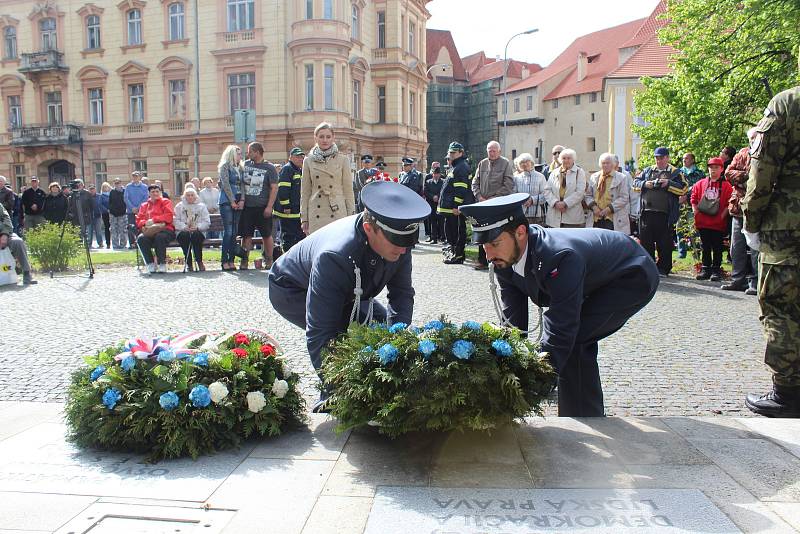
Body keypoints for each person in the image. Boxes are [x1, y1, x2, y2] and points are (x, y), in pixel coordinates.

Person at [459, 193, 659, 416]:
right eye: (484, 245)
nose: (489, 254)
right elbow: (514, 324)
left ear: (521, 232)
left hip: (631, 274)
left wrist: (536, 383)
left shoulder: (558, 257)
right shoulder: (505, 258)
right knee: (572, 337)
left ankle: (584, 417)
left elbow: (561, 325)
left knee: (577, 338)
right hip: (593, 277)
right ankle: (579, 413)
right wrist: (508, 374)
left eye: (494, 243)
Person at [268, 181, 431, 412]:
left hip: (350, 290)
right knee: (340, 335)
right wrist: (343, 389)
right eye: (398, 243)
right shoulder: (334, 256)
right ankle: (332, 396)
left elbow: (401, 294)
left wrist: (398, 342)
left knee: (380, 328)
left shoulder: (398, 240)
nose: (404, 250)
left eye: (408, 242)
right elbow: (320, 332)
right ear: (368, 228)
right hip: (291, 288)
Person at [741, 84, 800, 418]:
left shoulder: (789, 102)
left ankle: (788, 393)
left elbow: (762, 169)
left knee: (782, 305)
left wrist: (752, 220)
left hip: (789, 225)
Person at [634, 147, 688, 277]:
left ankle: (663, 268)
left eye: (661, 158)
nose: (659, 160)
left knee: (664, 243)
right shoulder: (648, 170)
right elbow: (635, 183)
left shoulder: (675, 172)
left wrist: (668, 184)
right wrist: (645, 184)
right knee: (646, 242)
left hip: (665, 214)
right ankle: (649, 267)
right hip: (646, 212)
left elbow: (684, 188)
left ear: (667, 158)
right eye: (657, 158)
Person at [301, 122, 355, 235]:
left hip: (337, 211)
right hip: (316, 212)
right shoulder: (308, 160)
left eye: (328, 137)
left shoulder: (343, 160)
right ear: (315, 138)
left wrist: (351, 215)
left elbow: (348, 190)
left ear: (333, 138)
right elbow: (305, 191)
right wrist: (304, 218)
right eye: (321, 137)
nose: (325, 140)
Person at [472, 141, 515, 270]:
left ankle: (499, 261)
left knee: (498, 234)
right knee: (482, 232)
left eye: (494, 150)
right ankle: (482, 260)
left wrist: (493, 199)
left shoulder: (505, 163)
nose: (491, 153)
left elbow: (508, 184)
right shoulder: (482, 163)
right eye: (489, 150)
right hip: (482, 204)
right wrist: (479, 196)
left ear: (499, 151)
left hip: (497, 205)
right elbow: (475, 182)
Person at [722, 138, 758, 294]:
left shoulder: (765, 152)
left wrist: (743, 180)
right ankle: (738, 279)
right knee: (736, 246)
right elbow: (728, 173)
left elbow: (763, 178)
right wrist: (747, 176)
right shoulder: (742, 153)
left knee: (755, 247)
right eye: (752, 138)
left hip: (757, 207)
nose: (754, 140)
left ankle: (756, 282)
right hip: (738, 207)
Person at [690, 157, 733, 281]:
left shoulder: (727, 186)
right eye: (711, 167)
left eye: (716, 168)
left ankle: (716, 270)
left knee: (717, 247)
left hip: (718, 223)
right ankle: (705, 269)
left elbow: (728, 203)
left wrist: (722, 217)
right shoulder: (700, 184)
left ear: (722, 169)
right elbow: (693, 199)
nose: (713, 170)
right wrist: (696, 213)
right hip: (703, 222)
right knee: (705, 246)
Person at [240, 141, 278, 270]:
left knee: (266, 235)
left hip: (263, 207)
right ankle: (244, 260)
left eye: (250, 151)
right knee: (246, 235)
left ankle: (269, 260)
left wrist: (269, 206)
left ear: (257, 152)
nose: (248, 154)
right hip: (247, 207)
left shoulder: (270, 168)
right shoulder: (245, 165)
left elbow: (274, 188)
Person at [437, 141, 474, 264]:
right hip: (450, 209)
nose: (451, 155)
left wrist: (456, 206)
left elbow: (461, 189)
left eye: (453, 152)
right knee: (451, 232)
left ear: (461, 153)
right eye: (450, 152)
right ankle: (454, 252)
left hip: (455, 209)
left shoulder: (461, 167)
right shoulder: (456, 166)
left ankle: (458, 255)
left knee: (457, 232)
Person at [586, 153, 631, 234]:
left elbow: (624, 198)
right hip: (596, 218)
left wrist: (609, 209)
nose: (605, 165)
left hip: (613, 219)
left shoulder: (621, 177)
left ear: (613, 164)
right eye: (603, 163)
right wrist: (594, 207)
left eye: (608, 163)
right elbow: (588, 195)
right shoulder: (594, 177)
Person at [135, 184, 175, 274]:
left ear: (160, 192)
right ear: (149, 193)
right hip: (149, 231)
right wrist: (145, 223)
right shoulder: (144, 205)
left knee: (159, 237)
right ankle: (150, 264)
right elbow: (138, 221)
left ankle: (162, 263)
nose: (155, 193)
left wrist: (153, 220)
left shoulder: (166, 202)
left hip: (165, 229)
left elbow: (168, 217)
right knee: (141, 239)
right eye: (153, 192)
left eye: (157, 191)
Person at [544, 148, 587, 229]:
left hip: (572, 218)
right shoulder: (554, 172)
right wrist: (555, 203)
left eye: (569, 158)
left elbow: (580, 192)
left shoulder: (579, 172)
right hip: (554, 217)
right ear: (560, 160)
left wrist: (565, 203)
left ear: (573, 159)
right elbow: (547, 190)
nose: (566, 160)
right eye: (564, 158)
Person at [218, 144, 244, 271]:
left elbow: (243, 185)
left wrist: (242, 199)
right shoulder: (225, 166)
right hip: (227, 202)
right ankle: (224, 260)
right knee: (228, 232)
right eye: (238, 153)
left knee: (234, 232)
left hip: (239, 200)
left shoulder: (240, 167)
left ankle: (231, 259)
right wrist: (232, 200)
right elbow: (226, 185)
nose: (241, 156)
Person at [275, 147, 305, 252]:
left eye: (302, 157)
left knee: (299, 236)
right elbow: (283, 190)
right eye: (297, 157)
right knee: (289, 237)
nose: (300, 159)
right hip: (288, 212)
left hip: (296, 211)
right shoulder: (287, 169)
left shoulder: (299, 170)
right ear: (290, 157)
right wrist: (286, 206)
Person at [676, 152, 706, 258]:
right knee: (679, 228)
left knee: (694, 229)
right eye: (683, 158)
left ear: (692, 160)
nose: (684, 160)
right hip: (680, 204)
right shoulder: (678, 173)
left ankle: (696, 252)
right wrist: (679, 197)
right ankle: (681, 252)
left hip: (694, 205)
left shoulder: (699, 173)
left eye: (687, 158)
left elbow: (701, 188)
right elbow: (675, 187)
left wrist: (687, 194)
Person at [174, 186, 210, 271]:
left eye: (192, 195)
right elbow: (175, 220)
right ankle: (189, 263)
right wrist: (184, 227)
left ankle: (199, 261)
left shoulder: (202, 206)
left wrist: (197, 227)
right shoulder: (179, 206)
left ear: (195, 196)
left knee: (196, 236)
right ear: (184, 196)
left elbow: (206, 222)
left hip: (198, 231)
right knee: (184, 236)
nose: (190, 197)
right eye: (188, 195)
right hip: (183, 231)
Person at [0, 203, 36, 285]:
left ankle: (26, 272)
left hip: (2, 233)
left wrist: (4, 234)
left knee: (17, 242)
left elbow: (6, 219)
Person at [512, 153, 547, 226]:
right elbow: (513, 195)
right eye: (522, 162)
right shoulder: (517, 178)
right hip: (521, 215)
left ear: (532, 163)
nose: (524, 164)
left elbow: (545, 195)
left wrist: (532, 200)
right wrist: (521, 200)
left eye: (527, 161)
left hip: (536, 215)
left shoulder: (540, 177)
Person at [124, 171, 149, 249]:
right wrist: (132, 208)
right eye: (134, 176)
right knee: (131, 227)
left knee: (141, 226)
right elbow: (126, 198)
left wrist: (138, 208)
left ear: (140, 177)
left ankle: (140, 242)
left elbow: (145, 198)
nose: (135, 178)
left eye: (136, 176)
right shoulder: (128, 186)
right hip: (131, 211)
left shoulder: (144, 187)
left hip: (141, 211)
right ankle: (132, 243)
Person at [423, 163, 444, 243]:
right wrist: (432, 197)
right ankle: (434, 238)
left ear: (440, 175)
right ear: (433, 174)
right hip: (431, 204)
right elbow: (426, 191)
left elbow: (443, 191)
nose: (436, 175)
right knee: (432, 222)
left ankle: (442, 237)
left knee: (441, 222)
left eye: (438, 174)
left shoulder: (443, 182)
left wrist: (438, 196)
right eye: (435, 174)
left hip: (440, 204)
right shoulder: (428, 182)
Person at [108, 178, 128, 249]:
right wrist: (111, 210)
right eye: (115, 183)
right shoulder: (112, 192)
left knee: (123, 230)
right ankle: (115, 245)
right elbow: (110, 202)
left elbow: (126, 201)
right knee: (114, 230)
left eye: (118, 183)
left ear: (121, 183)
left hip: (122, 214)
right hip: (113, 214)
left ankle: (123, 244)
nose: (117, 184)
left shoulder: (125, 191)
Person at [87, 184, 104, 249]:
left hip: (98, 215)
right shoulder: (87, 196)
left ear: (95, 189)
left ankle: (100, 243)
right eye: (90, 189)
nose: (92, 190)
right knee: (89, 231)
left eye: (93, 189)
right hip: (89, 216)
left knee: (98, 231)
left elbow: (102, 205)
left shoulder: (99, 196)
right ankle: (89, 244)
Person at [98, 182, 112, 248]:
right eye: (104, 187)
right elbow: (100, 204)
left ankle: (115, 242)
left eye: (107, 186)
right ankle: (108, 243)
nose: (106, 188)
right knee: (107, 228)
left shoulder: (112, 194)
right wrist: (107, 210)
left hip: (113, 213)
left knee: (114, 228)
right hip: (105, 214)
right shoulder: (101, 196)